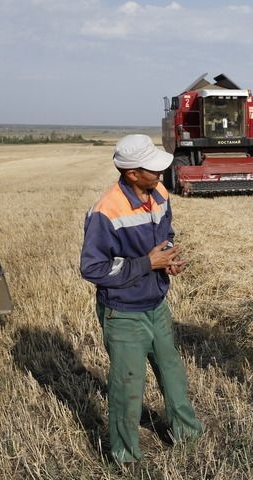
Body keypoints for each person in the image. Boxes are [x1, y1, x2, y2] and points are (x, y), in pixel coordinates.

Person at [80, 134, 203, 464]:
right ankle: (125, 456)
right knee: (127, 387)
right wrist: (148, 263)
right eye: (152, 170)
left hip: (157, 304)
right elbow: (92, 268)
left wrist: (169, 258)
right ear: (131, 173)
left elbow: (166, 235)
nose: (160, 175)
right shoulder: (106, 212)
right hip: (123, 313)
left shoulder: (159, 193)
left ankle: (188, 433)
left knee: (172, 373)